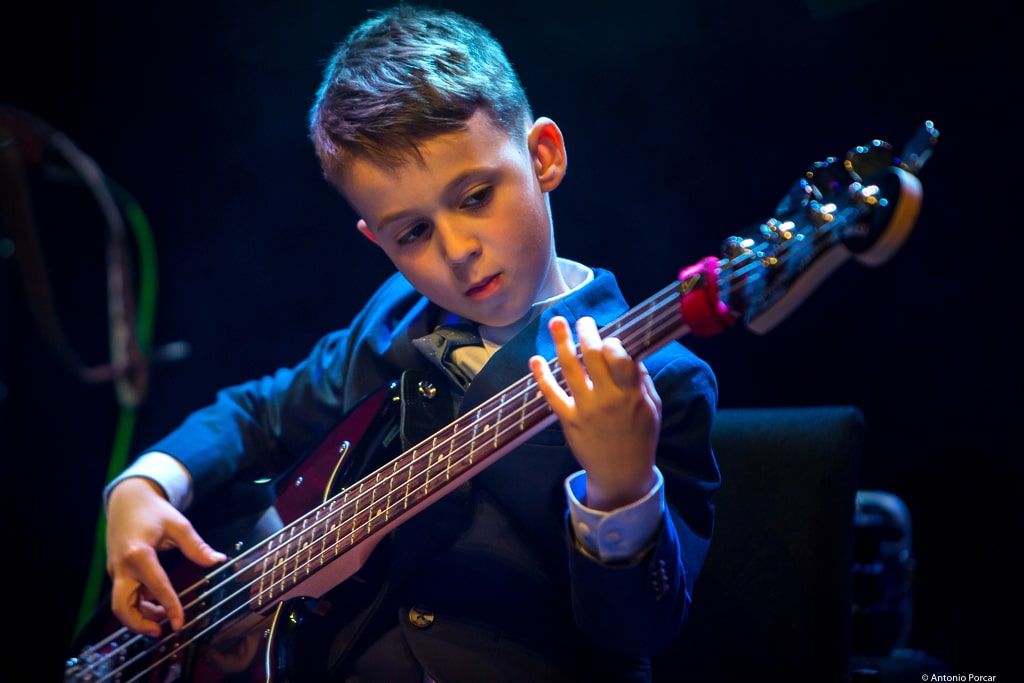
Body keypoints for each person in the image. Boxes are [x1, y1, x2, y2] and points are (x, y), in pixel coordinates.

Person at [97, 5, 720, 682]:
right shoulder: (392, 320)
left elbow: (640, 630)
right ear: (376, 240)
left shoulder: (659, 378)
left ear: (543, 155)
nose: (458, 251)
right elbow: (258, 409)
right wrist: (143, 482)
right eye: (412, 234)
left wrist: (620, 487)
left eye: (477, 195)